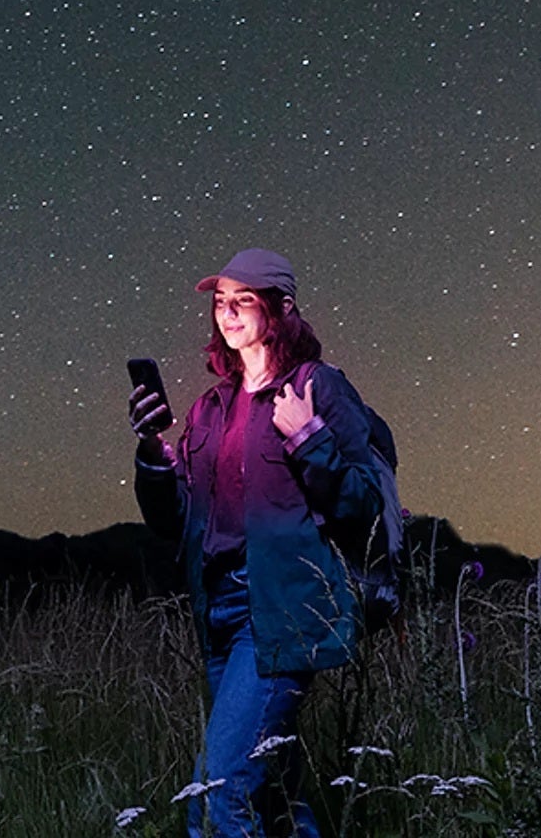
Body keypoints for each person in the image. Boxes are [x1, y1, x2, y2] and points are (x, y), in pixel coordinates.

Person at [128, 248, 387, 837]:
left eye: (243, 300)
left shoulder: (318, 388)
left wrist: (310, 439)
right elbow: (176, 522)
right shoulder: (208, 409)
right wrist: (151, 452)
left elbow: (364, 506)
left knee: (217, 796)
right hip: (215, 615)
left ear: (282, 308)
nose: (228, 313)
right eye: (221, 302)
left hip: (275, 613)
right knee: (276, 795)